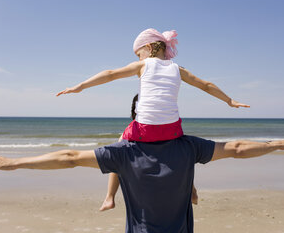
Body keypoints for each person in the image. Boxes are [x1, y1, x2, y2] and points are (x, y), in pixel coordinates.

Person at [56, 28, 250, 211]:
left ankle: (109, 197)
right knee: (184, 152)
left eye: (138, 53)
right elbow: (206, 85)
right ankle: (191, 190)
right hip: (173, 130)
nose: (137, 58)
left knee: (119, 146)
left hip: (144, 130)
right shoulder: (178, 69)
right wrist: (229, 100)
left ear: (148, 48)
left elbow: (110, 74)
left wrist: (80, 86)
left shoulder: (143, 65)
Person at [0, 137, 284, 233]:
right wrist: (277, 144)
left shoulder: (124, 152)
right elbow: (235, 149)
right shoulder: (188, 146)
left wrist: (15, 162)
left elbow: (69, 157)